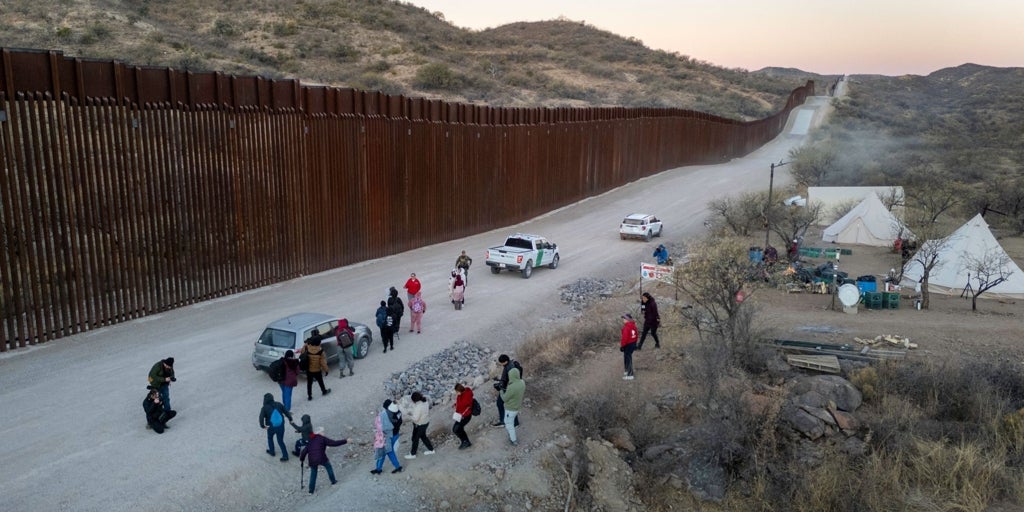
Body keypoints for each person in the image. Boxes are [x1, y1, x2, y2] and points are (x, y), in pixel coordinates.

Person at [299, 426, 348, 494]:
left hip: (312, 460)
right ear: (320, 432)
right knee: (328, 467)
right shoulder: (322, 439)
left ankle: (311, 490)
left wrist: (302, 459)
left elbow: (304, 451)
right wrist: (345, 441)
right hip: (321, 457)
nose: (324, 433)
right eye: (323, 431)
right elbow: (334, 443)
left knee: (313, 473)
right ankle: (333, 481)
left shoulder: (311, 440)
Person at [371, 400, 403, 474]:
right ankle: (396, 467)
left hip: (389, 436)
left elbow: (383, 428)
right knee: (389, 451)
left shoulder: (387, 415)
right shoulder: (398, 411)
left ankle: (379, 469)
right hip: (396, 434)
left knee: (385, 451)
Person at [259, 392, 293, 461]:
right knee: (280, 440)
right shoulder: (279, 404)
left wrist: (263, 426)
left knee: (270, 438)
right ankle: (285, 456)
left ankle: (272, 451)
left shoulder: (264, 408)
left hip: (271, 427)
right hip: (281, 425)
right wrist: (290, 419)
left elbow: (261, 418)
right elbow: (286, 412)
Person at [491, 354, 522, 428]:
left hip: (507, 389)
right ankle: (516, 423)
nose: (501, 364)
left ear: (505, 361)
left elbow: (507, 380)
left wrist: (500, 386)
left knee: (499, 403)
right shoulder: (512, 364)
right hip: (514, 388)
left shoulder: (508, 368)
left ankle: (503, 421)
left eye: (501, 362)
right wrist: (499, 380)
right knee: (511, 405)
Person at [500, 368, 525, 446]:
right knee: (508, 421)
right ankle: (512, 437)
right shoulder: (522, 382)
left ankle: (513, 440)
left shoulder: (512, 387)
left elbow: (504, 398)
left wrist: (501, 390)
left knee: (509, 425)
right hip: (517, 406)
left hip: (510, 409)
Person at [405, 392, 435, 459]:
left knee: (416, 438)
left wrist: (409, 416)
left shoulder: (419, 406)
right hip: (425, 422)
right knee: (422, 436)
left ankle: (413, 454)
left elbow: (415, 418)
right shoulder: (425, 402)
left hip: (420, 424)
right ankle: (431, 450)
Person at [304, 331, 331, 401]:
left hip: (308, 369)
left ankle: (309, 396)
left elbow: (302, 352)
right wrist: (326, 370)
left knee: (309, 383)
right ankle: (324, 391)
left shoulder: (307, 348)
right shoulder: (321, 351)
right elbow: (323, 363)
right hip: (317, 369)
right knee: (320, 381)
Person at [452, 383, 474, 449]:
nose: (456, 393)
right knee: (456, 429)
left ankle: (466, 442)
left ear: (459, 390)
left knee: (456, 429)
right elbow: (460, 403)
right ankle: (465, 441)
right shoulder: (460, 395)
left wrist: (462, 414)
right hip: (460, 415)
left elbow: (468, 406)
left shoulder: (467, 396)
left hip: (465, 416)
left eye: (456, 392)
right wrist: (455, 405)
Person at [620, 313, 638, 380]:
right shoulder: (633, 326)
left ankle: (630, 375)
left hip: (628, 345)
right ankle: (627, 370)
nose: (623, 320)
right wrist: (635, 343)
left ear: (627, 319)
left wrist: (622, 346)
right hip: (633, 343)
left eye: (624, 318)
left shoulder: (626, 327)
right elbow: (636, 335)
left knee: (628, 358)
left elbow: (625, 338)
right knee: (626, 356)